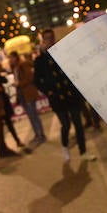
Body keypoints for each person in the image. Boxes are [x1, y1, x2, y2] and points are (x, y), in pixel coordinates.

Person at [33, 28, 97, 162]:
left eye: (51, 38)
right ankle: (65, 147)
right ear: (43, 41)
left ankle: (83, 151)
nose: (50, 41)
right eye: (47, 39)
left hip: (70, 94)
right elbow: (37, 81)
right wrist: (48, 91)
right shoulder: (40, 60)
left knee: (78, 124)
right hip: (56, 98)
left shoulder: (62, 53)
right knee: (66, 125)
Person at [8, 50, 46, 145]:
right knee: (30, 116)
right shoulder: (15, 67)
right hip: (22, 94)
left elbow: (30, 78)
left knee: (33, 115)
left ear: (15, 57)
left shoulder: (23, 64)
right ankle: (37, 134)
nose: (10, 60)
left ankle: (41, 135)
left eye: (11, 58)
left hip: (28, 93)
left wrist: (18, 84)